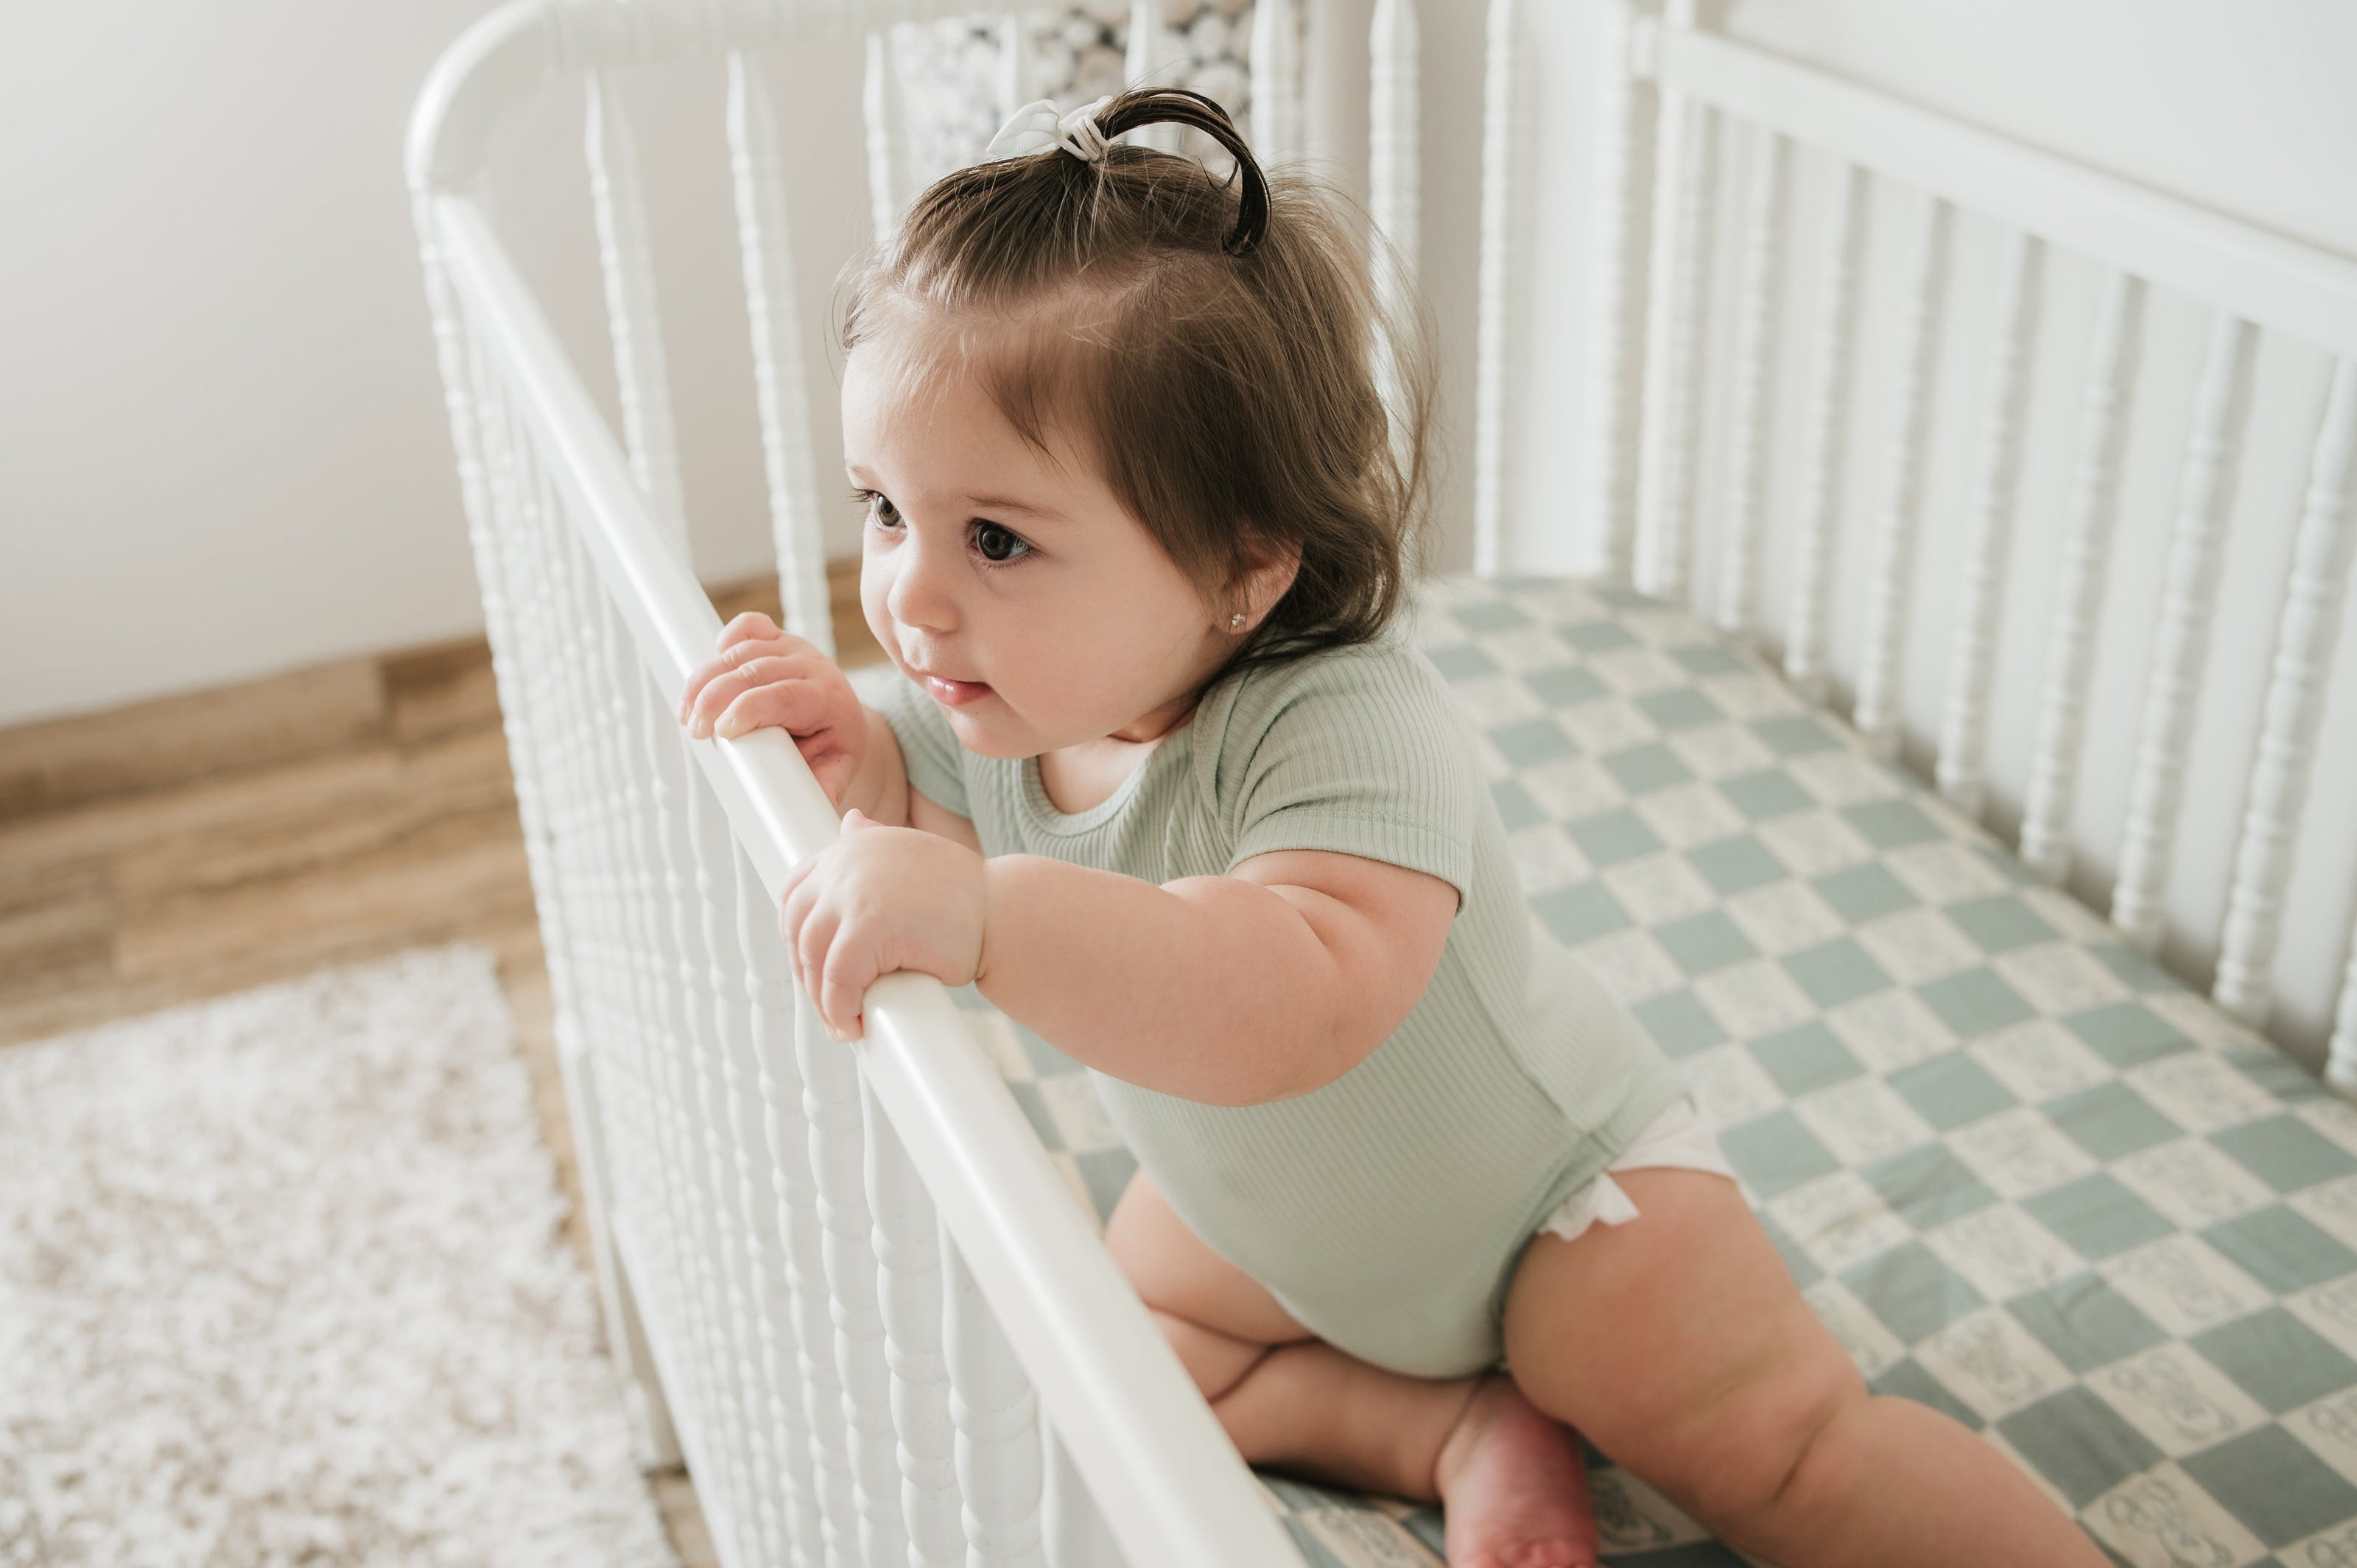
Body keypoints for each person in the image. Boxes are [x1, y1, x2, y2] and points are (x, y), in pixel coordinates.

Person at [675, 87, 2103, 1568]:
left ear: (1243, 567)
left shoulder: (1346, 724)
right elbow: (919, 817)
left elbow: (1286, 996)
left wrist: (982, 917)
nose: (908, 596)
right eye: (884, 509)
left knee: (1782, 1453)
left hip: (1552, 1217)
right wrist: (848, 760)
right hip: (1268, 1226)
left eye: (996, 538)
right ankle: (1459, 1432)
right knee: (1119, 1357)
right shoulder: (1003, 714)